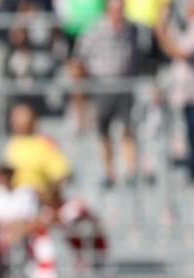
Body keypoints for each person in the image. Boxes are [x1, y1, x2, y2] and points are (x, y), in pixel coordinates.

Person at [72, 0, 144, 187]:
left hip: (125, 85)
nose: (119, 13)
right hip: (102, 85)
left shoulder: (131, 29)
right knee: (104, 131)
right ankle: (109, 171)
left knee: (128, 129)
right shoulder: (94, 30)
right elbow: (79, 58)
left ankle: (130, 170)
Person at [154, 0, 194, 203]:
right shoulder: (189, 26)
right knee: (191, 137)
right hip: (187, 94)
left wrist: (161, 34)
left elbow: (180, 51)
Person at [3, 103, 71, 202]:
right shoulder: (11, 144)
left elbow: (61, 175)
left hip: (36, 198)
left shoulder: (44, 143)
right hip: (14, 197)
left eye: (20, 116)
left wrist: (47, 193)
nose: (15, 121)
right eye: (14, 117)